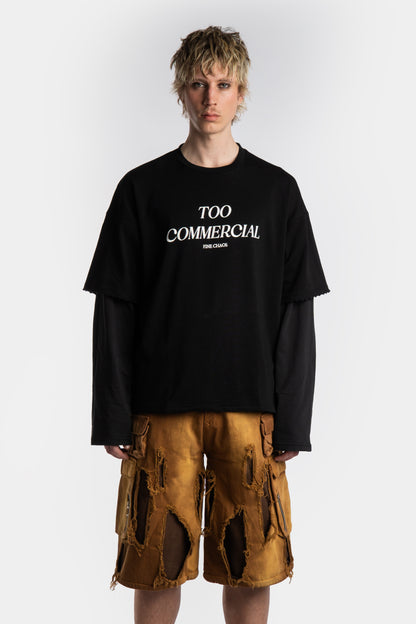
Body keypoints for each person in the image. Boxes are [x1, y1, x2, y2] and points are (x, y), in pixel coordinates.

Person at [82, 25, 330, 624]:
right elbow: (115, 307)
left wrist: (294, 419)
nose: (210, 98)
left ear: (241, 91)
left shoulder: (276, 191)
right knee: (155, 562)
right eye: (198, 84)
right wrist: (112, 413)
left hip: (252, 411)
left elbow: (297, 310)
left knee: (252, 563)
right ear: (181, 91)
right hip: (161, 409)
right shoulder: (142, 189)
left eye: (223, 84)